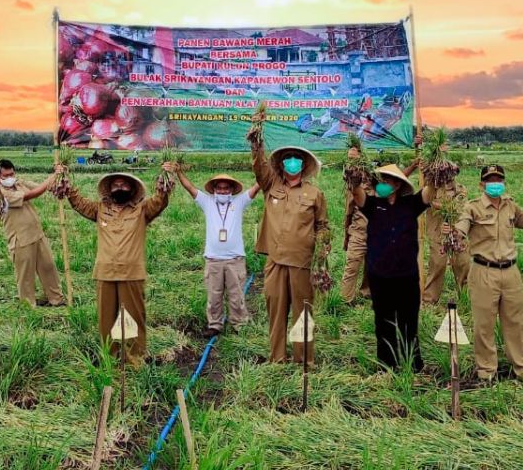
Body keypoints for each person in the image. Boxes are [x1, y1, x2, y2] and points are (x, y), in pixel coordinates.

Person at [64, 166, 173, 366]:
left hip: (131, 272)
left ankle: (134, 358)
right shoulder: (99, 209)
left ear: (131, 189)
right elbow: (78, 203)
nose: (119, 187)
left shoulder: (142, 210)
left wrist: (164, 186)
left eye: (124, 184)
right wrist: (65, 182)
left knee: (132, 317)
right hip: (105, 271)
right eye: (116, 184)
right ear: (110, 189)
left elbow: (160, 202)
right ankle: (110, 357)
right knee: (106, 319)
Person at [447, 164, 523, 382]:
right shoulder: (472, 207)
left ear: (504, 183)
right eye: (490, 180)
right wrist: (454, 234)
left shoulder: (510, 206)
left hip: (511, 272)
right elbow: (461, 228)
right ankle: (486, 372)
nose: (495, 184)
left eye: (499, 180)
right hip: (483, 271)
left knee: (516, 322)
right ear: (482, 184)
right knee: (483, 324)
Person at [249, 128, 330, 365]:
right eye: (288, 159)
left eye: (297, 160)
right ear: (282, 164)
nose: (292, 163)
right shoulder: (271, 185)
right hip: (274, 261)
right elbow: (259, 167)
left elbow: (323, 225)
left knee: (303, 312)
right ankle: (277, 358)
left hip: (302, 263)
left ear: (303, 165)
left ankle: (304, 359)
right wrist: (256, 143)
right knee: (275, 309)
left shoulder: (314, 194)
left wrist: (323, 246)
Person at [347, 161, 428, 371]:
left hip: (407, 275)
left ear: (398, 185)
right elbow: (357, 194)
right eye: (380, 181)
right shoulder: (373, 205)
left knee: (409, 321)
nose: (382, 184)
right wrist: (353, 179)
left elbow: (430, 193)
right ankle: (386, 365)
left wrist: (433, 170)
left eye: (387, 180)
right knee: (383, 322)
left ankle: (413, 364)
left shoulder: (411, 204)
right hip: (380, 275)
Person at [173, 167, 258, 337]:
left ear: (232, 190)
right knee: (214, 295)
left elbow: (257, 187)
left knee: (236, 295)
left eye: (226, 188)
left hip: (235, 259)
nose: (222, 191)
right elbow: (190, 188)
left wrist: (267, 171)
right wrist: (178, 172)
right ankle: (215, 325)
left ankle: (239, 324)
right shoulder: (207, 202)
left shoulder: (238, 202)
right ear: (214, 190)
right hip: (213, 260)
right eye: (219, 188)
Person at [0, 159, 65, 307]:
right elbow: (31, 195)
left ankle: (55, 299)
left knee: (48, 266)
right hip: (20, 239)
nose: (9, 178)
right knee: (25, 274)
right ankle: (28, 306)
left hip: (37, 233)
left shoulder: (19, 183)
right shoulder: (0, 194)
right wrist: (52, 176)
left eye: (12, 174)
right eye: (5, 176)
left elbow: (43, 187)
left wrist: (58, 176)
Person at [340, 174, 371, 305]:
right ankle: (346, 298)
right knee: (352, 267)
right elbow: (348, 214)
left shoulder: (384, 192)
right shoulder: (357, 192)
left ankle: (367, 291)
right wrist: (346, 237)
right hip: (358, 235)